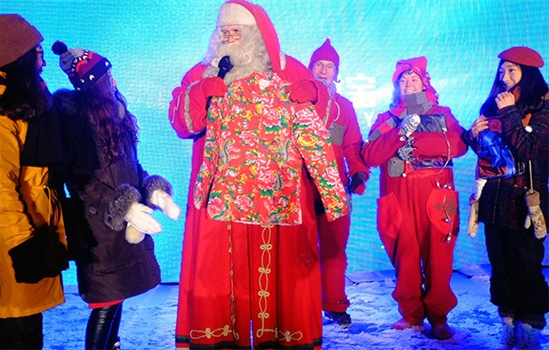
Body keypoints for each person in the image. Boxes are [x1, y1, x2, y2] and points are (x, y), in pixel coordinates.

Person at [168, 1, 348, 348]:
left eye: (238, 31)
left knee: (282, 272)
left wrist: (316, 93)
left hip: (278, 193)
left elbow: (324, 125)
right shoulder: (202, 73)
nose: (230, 38)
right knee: (217, 271)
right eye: (224, 32)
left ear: (257, 34)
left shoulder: (287, 70)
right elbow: (180, 122)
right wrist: (200, 95)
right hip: (220, 190)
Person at [51, 40, 181, 350]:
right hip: (99, 227)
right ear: (96, 84)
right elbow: (80, 181)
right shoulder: (77, 123)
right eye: (109, 76)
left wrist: (154, 190)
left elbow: (133, 167)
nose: (115, 81)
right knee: (105, 300)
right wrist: (121, 207)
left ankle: (112, 345)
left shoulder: (116, 117)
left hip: (123, 223)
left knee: (117, 295)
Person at [361, 56, 468, 340]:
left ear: (425, 82)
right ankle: (411, 315)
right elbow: (370, 155)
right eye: (403, 81)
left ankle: (439, 314)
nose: (408, 85)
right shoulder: (388, 119)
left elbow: (458, 145)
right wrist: (400, 133)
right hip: (399, 197)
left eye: (414, 80)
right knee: (405, 256)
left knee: (440, 256)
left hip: (436, 195)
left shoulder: (442, 113)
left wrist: (418, 143)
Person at [463, 46, 548, 349]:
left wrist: (510, 110)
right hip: (493, 199)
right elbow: (491, 156)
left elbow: (530, 149)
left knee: (525, 266)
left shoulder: (543, 107)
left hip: (525, 202)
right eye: (502, 71)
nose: (505, 76)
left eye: (512, 70)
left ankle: (530, 329)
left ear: (529, 73)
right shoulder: (493, 106)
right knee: (499, 267)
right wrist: (474, 137)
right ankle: (508, 323)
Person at [0, 14, 68, 349]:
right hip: (14, 244)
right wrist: (22, 244)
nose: (43, 58)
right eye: (36, 51)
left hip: (36, 231)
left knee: (28, 329)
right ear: (18, 57)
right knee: (16, 331)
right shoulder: (2, 110)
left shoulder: (26, 102)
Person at [307, 38, 370, 329]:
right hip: (301, 187)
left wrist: (357, 172)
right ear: (310, 68)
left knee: (334, 249)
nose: (323, 70)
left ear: (336, 72)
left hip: (334, 186)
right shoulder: (296, 104)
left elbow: (352, 145)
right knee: (300, 249)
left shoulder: (344, 107)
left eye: (329, 66)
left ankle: (334, 304)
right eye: (318, 65)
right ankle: (303, 303)